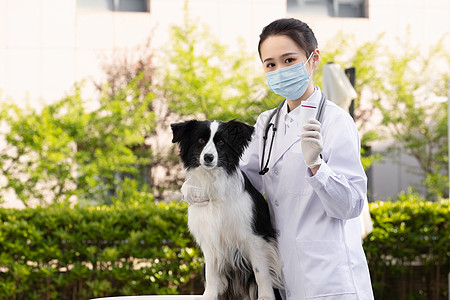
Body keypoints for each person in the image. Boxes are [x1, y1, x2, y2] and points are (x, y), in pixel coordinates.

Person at [182, 18, 374, 300]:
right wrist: (196, 186)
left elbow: (350, 206)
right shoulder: (266, 124)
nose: (280, 70)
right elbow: (239, 179)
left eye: (289, 59)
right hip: (283, 275)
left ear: (313, 58)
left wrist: (317, 166)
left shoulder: (336, 122)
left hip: (328, 277)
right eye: (270, 64)